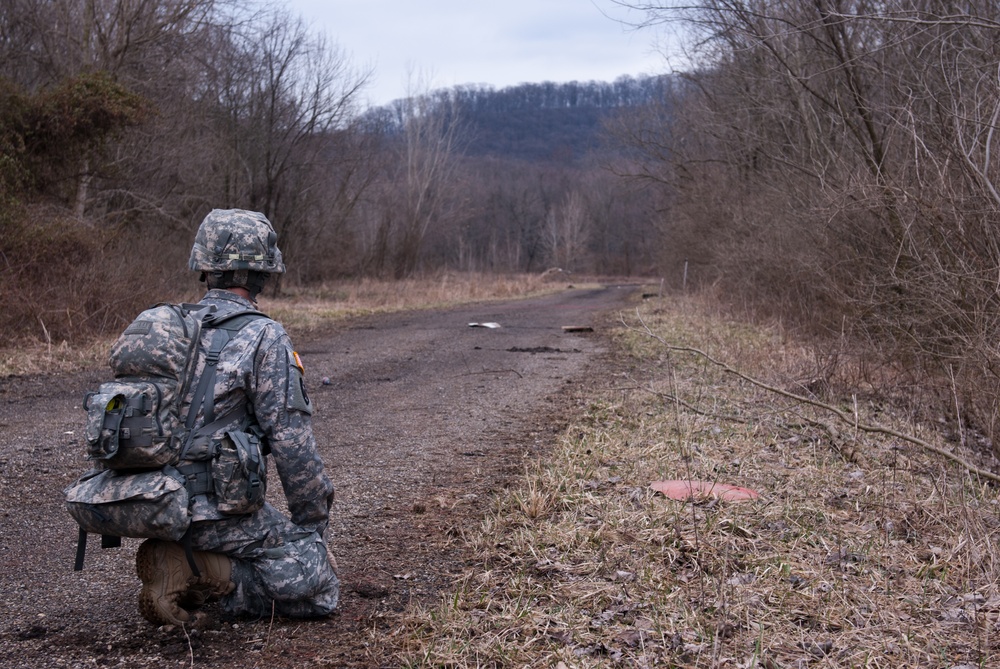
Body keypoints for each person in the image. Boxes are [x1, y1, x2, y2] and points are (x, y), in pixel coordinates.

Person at [135, 208, 339, 626]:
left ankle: (185, 557)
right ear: (261, 273)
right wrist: (312, 533)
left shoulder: (167, 327)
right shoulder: (264, 335)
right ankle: (198, 570)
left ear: (205, 268)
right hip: (212, 512)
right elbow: (294, 451)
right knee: (321, 587)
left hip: (151, 503)